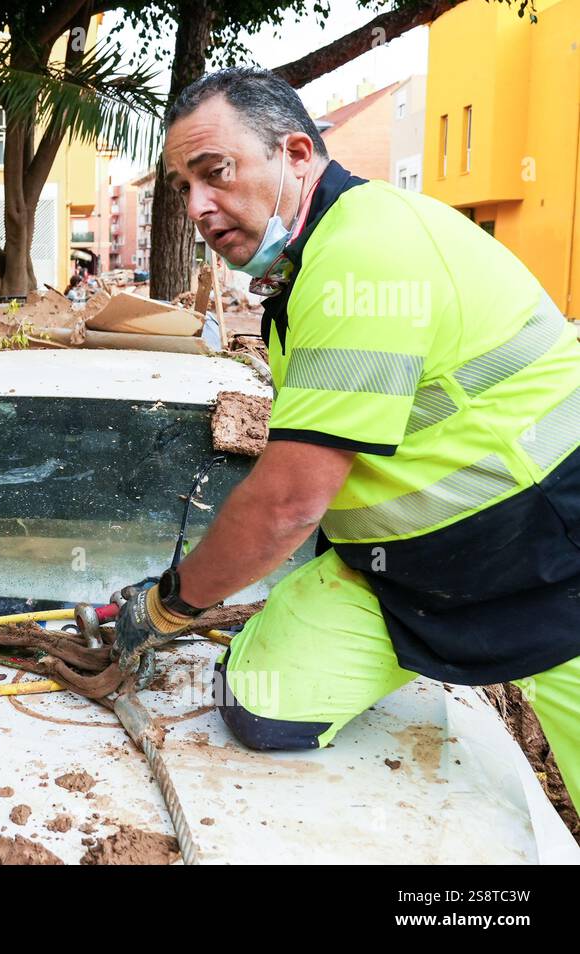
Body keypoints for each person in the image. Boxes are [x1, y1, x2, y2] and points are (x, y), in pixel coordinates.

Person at [113, 68, 580, 804]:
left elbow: (286, 505)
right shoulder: (311, 271)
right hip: (408, 581)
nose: (199, 207)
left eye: (216, 173)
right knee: (262, 704)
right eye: (183, 188)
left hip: (557, 563)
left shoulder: (365, 254)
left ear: (298, 154)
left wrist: (164, 607)